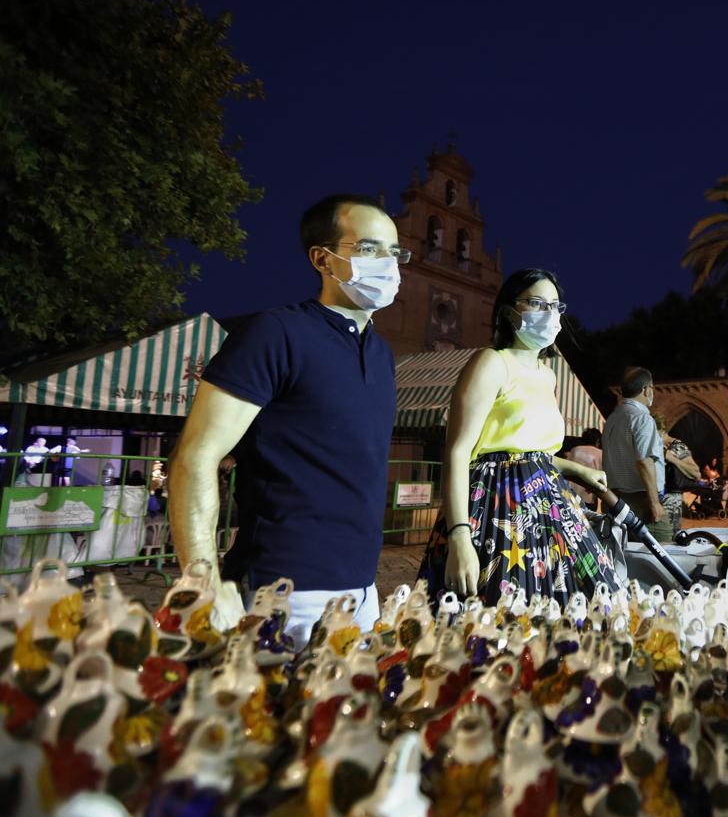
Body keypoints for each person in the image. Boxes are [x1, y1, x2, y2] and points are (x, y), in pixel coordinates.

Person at [170, 194, 407, 640]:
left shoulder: (380, 352)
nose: (389, 264)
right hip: (282, 589)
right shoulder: (276, 333)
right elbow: (195, 456)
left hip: (362, 588)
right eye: (371, 249)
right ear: (323, 258)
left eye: (395, 251)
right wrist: (202, 582)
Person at [420, 268, 621, 604]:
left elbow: (529, 451)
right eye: (537, 304)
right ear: (509, 310)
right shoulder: (491, 363)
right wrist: (459, 537)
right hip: (494, 511)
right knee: (498, 615)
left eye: (556, 306)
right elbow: (458, 452)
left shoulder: (548, 374)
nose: (550, 315)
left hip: (550, 508)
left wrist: (576, 470)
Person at [602, 367, 672, 543]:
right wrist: (655, 503)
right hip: (641, 501)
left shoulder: (612, 419)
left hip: (615, 500)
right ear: (646, 389)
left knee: (625, 554)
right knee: (661, 547)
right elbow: (644, 461)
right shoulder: (642, 418)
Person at [563, 427, 603, 509]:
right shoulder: (601, 454)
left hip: (569, 493)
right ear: (598, 441)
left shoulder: (575, 450)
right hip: (586, 496)